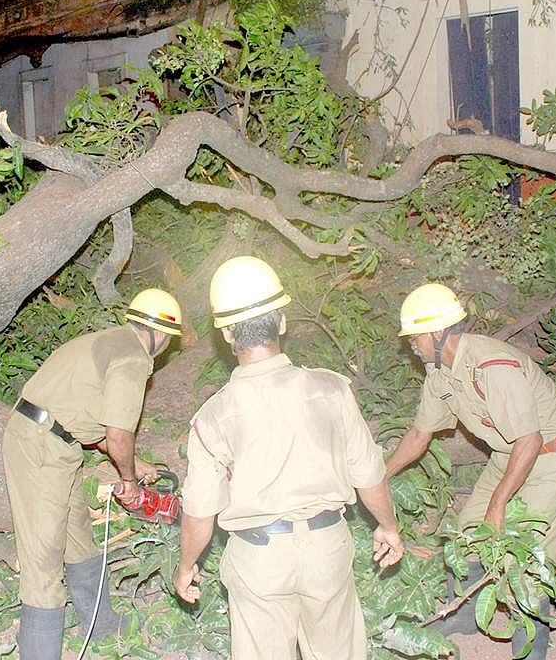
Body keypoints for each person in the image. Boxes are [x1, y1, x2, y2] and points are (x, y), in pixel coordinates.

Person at [173, 256, 404, 660]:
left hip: (257, 559)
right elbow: (369, 473)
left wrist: (187, 564)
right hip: (326, 549)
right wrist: (388, 526)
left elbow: (200, 511)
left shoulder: (213, 416)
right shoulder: (332, 390)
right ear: (281, 321)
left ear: (226, 332)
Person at [385, 283, 556, 659]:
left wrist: (499, 505)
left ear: (435, 332)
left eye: (414, 336)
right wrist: (381, 476)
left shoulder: (492, 365)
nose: (410, 344)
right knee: (467, 534)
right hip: (508, 453)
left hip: (552, 452)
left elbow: (529, 440)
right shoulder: (439, 373)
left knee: (526, 554)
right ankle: (464, 616)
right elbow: (419, 434)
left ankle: (530, 647)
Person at [3, 288, 183, 660]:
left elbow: (91, 422)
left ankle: (100, 625)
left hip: (57, 441)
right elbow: (119, 433)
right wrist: (129, 482)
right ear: (161, 334)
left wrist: (137, 465)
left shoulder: (109, 340)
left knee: (79, 538)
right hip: (40, 447)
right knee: (43, 558)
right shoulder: (134, 358)